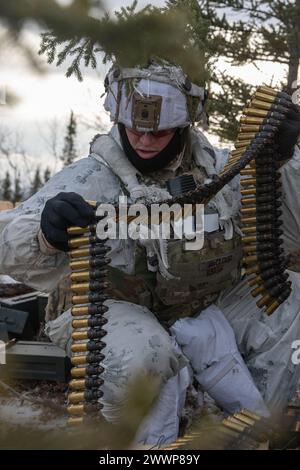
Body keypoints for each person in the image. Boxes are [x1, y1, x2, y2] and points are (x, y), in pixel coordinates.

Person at [1, 59, 300, 445]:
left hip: (206, 302)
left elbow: (290, 230)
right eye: (134, 128)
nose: (143, 141)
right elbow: (7, 246)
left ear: (183, 124)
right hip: (109, 310)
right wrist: (45, 232)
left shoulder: (225, 171)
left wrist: (284, 162)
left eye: (158, 133)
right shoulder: (91, 179)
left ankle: (254, 433)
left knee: (289, 300)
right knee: (146, 356)